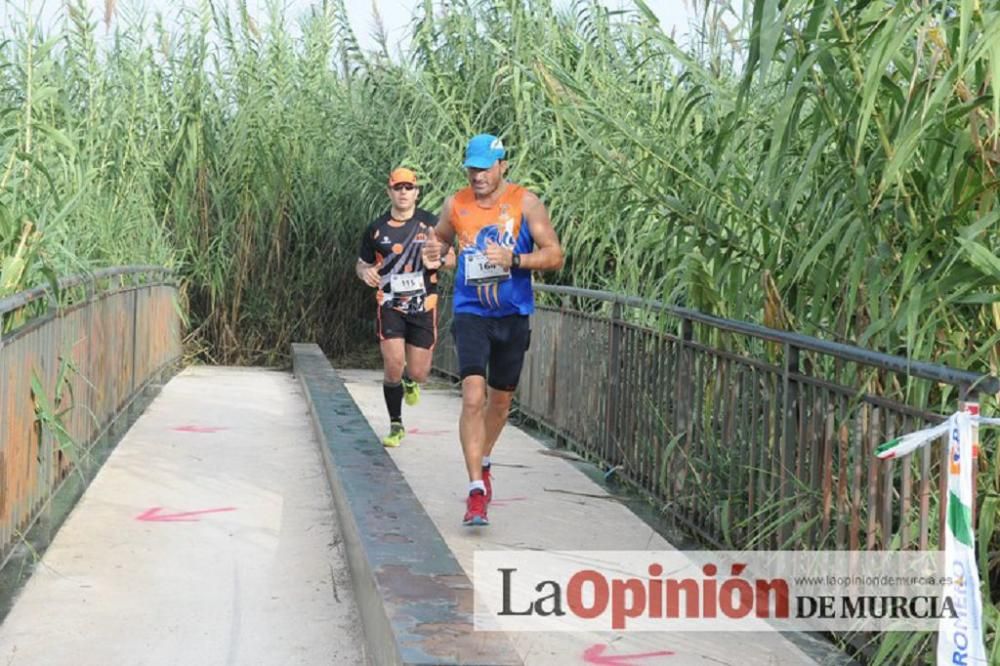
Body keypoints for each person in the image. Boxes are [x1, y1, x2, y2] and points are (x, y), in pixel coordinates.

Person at [425, 134, 563, 526]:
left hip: (512, 315)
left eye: (485, 167)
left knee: (500, 403)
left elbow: (555, 254)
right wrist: (435, 253)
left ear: (503, 165)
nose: (478, 175)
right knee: (472, 397)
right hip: (471, 312)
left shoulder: (525, 202)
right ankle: (475, 491)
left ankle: (482, 461)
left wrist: (514, 258)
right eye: (472, 167)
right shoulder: (456, 203)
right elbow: (440, 245)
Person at [356, 167, 453, 447]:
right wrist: (365, 273)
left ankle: (411, 381)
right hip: (390, 304)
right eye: (397, 188)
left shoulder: (431, 224)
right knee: (393, 363)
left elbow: (453, 257)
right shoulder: (376, 229)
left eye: (408, 188)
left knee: (419, 373)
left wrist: (440, 262)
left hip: (423, 305)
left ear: (417, 192)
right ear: (389, 191)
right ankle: (395, 424)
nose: (403, 193)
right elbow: (362, 263)